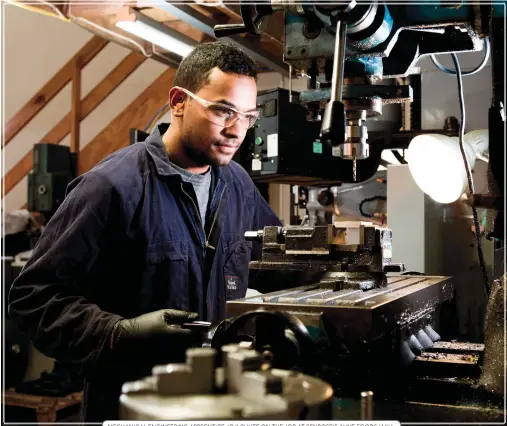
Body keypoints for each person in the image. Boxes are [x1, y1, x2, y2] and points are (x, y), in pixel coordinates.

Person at [8, 41, 286, 422]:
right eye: (223, 111)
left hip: (217, 400)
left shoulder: (236, 183)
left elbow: (278, 261)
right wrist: (118, 332)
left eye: (248, 117)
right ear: (178, 102)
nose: (237, 130)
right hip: (132, 404)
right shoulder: (112, 186)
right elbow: (32, 298)